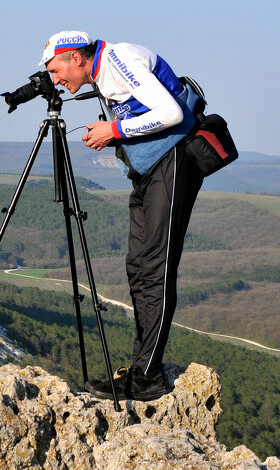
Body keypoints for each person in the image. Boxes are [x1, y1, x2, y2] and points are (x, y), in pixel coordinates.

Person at [39, 30, 204, 401]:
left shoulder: (120, 61)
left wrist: (113, 129)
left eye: (56, 70)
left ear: (75, 59)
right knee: (139, 266)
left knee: (156, 268)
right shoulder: (103, 70)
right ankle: (141, 368)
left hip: (173, 162)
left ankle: (148, 377)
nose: (57, 81)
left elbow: (170, 112)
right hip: (151, 169)